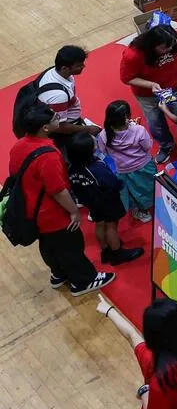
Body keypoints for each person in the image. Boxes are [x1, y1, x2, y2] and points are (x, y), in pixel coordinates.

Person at [6, 103, 114, 296]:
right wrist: (73, 211)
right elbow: (58, 190)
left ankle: (58, 274)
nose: (59, 119)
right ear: (45, 128)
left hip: (30, 210)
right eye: (54, 119)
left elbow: (14, 173)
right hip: (52, 214)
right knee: (70, 245)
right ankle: (83, 281)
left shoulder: (19, 145)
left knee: (48, 245)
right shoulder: (49, 155)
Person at [119, 23, 177, 164]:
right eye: (164, 48)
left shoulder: (174, 39)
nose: (169, 50)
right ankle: (166, 146)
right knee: (155, 122)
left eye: (171, 47)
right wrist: (151, 85)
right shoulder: (133, 55)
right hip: (148, 95)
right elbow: (127, 78)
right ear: (152, 45)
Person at [65, 131, 144, 266]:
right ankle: (117, 253)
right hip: (107, 201)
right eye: (93, 141)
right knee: (111, 226)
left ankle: (106, 250)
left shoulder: (72, 168)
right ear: (89, 150)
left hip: (90, 202)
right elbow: (112, 183)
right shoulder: (96, 167)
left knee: (99, 223)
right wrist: (120, 185)